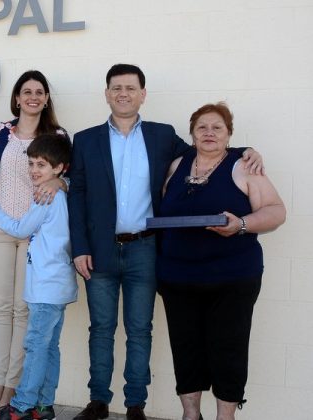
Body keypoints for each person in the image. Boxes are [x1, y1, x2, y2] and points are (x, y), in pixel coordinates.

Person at [67, 64, 264, 420]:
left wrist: (247, 149)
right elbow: (76, 194)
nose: (123, 93)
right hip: (99, 250)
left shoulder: (162, 135)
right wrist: (79, 246)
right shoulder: (85, 140)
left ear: (143, 94)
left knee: (140, 328)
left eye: (130, 87)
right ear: (106, 94)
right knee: (101, 328)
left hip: (145, 249)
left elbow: (208, 148)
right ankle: (98, 401)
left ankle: (134, 405)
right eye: (116, 88)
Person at [156, 103, 285, 420]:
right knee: (186, 350)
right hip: (178, 278)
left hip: (232, 279)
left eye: (217, 127)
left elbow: (275, 211)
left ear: (229, 134)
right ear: (192, 134)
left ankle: (225, 416)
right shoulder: (176, 166)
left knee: (228, 350)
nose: (209, 132)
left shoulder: (243, 166)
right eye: (202, 127)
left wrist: (240, 224)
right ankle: (191, 414)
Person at [0, 70, 68, 412]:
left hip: (35, 236)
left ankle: (15, 388)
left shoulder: (57, 136)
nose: (33, 96)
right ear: (17, 98)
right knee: (0, 309)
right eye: (26, 91)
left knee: (24, 311)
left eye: (39, 92)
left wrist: (62, 184)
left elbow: (70, 177)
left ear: (46, 99)